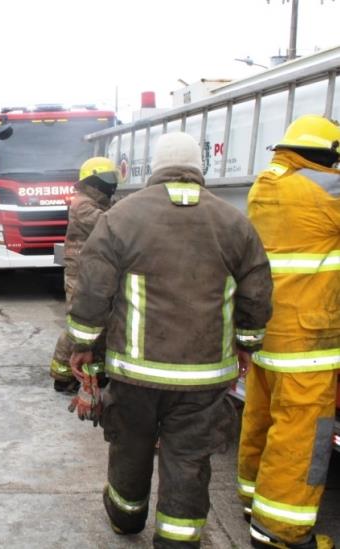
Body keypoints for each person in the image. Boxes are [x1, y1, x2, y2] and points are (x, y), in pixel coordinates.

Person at [67, 132, 273, 548]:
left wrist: (83, 344)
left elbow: (93, 290)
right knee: (189, 459)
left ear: (156, 169)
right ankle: (178, 540)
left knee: (131, 445)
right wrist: (247, 344)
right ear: (200, 168)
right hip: (203, 379)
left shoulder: (122, 217)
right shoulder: (233, 223)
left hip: (134, 376)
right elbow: (257, 290)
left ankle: (126, 519)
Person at [237, 114, 340, 549]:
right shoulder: (325, 190)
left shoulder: (265, 186)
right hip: (309, 340)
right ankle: (280, 531)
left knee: (262, 419)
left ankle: (253, 502)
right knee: (301, 433)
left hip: (269, 334)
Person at [50, 156, 120, 394]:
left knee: (101, 324)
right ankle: (62, 374)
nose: (112, 185)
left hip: (96, 273)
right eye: (106, 180)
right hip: (80, 274)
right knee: (77, 326)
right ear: (94, 181)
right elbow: (107, 226)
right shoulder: (83, 204)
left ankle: (96, 373)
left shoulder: (102, 203)